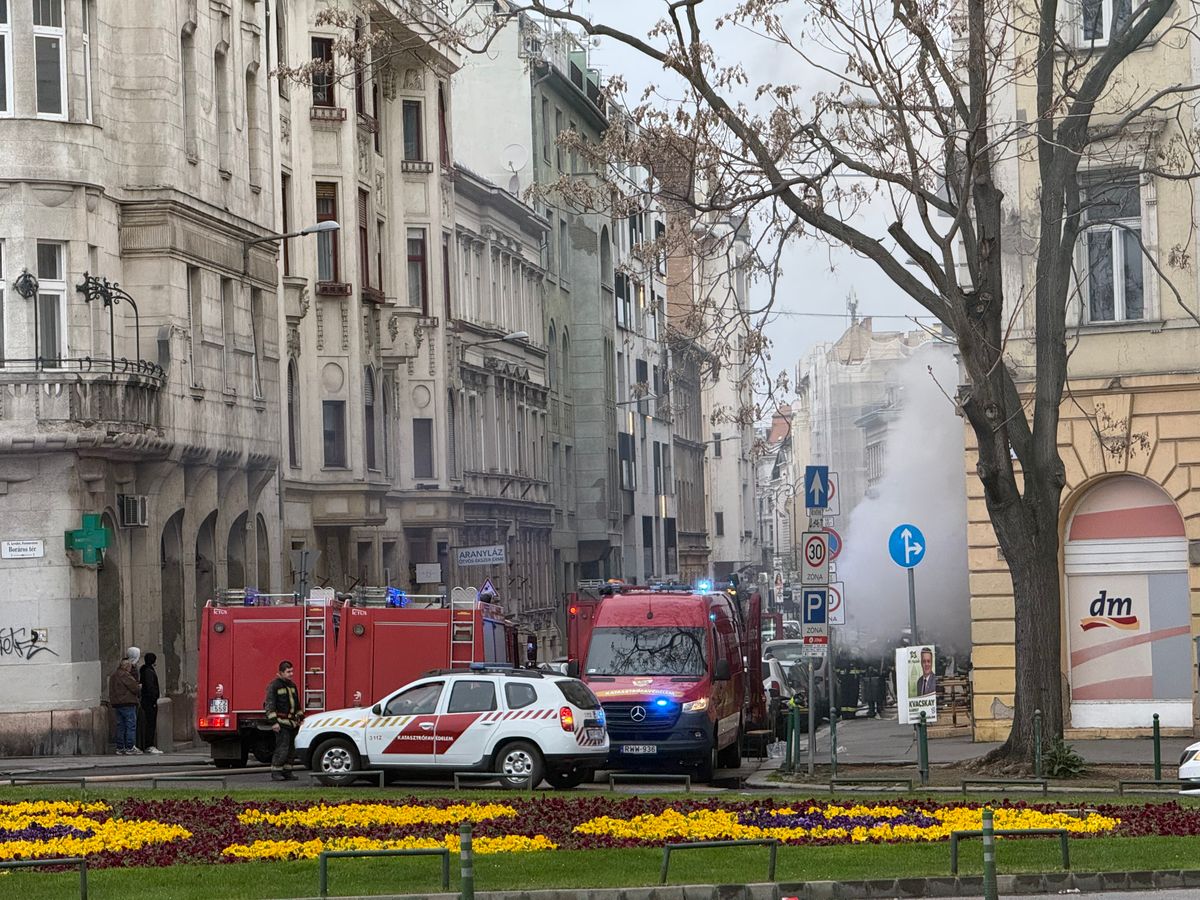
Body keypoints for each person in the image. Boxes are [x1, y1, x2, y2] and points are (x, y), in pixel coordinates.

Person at [264, 660, 302, 781]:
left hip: (292, 723)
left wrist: (300, 717)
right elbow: (270, 705)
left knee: (291, 749)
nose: (291, 674)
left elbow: (297, 704)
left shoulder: (292, 685)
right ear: (281, 672)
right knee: (282, 747)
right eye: (288, 672)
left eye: (292, 671)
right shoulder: (274, 685)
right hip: (281, 722)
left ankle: (287, 771)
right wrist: (274, 722)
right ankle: (276, 771)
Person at [108, 659, 140, 755]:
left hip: (117, 704)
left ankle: (120, 747)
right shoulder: (125, 675)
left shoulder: (114, 675)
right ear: (126, 666)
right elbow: (134, 688)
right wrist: (139, 687)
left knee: (120, 726)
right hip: (127, 703)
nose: (130, 668)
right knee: (130, 725)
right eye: (129, 666)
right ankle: (130, 747)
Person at [139, 652, 163, 754]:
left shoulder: (144, 670)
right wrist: (153, 699)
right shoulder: (149, 671)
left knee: (149, 723)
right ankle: (149, 745)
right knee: (150, 724)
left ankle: (148, 744)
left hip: (146, 701)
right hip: (149, 702)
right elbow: (150, 687)